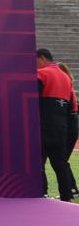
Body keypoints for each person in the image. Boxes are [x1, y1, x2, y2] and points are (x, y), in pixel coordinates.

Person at [36, 48, 77, 202]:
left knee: (38, 163)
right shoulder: (66, 77)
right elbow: (71, 107)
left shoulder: (41, 74)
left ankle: (42, 193)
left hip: (43, 126)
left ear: (42, 58)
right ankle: (66, 197)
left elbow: (33, 100)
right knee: (61, 164)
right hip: (61, 128)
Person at [58, 63, 79, 161]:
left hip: (67, 126)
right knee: (61, 161)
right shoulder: (69, 86)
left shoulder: (64, 88)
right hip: (71, 125)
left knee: (61, 161)